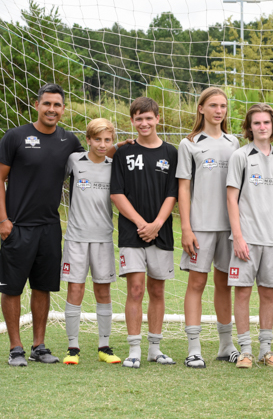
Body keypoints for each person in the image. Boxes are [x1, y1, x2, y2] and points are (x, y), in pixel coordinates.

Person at [0, 83, 98, 367]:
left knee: (42, 287)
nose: (51, 109)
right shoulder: (15, 137)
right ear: (37, 105)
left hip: (50, 227)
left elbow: (94, 159)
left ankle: (38, 346)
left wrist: (121, 148)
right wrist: (3, 220)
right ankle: (16, 348)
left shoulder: (69, 141)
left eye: (57, 105)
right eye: (47, 104)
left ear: (63, 109)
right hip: (16, 226)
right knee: (12, 288)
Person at [110, 97, 179, 368]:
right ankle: (134, 349)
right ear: (132, 121)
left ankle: (155, 348)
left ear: (158, 118)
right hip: (132, 233)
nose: (144, 123)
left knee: (157, 290)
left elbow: (173, 193)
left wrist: (157, 224)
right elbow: (117, 194)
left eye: (149, 117)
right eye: (139, 118)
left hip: (161, 232)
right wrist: (142, 224)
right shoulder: (123, 153)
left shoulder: (171, 152)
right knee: (136, 289)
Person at [226, 104, 273, 369]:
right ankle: (245, 350)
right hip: (246, 239)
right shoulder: (240, 156)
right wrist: (238, 236)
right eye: (256, 123)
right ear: (249, 127)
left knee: (268, 294)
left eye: (266, 122)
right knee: (243, 293)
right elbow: (231, 198)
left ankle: (266, 350)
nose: (262, 127)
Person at [176, 87, 240, 368]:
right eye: (213, 105)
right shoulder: (189, 143)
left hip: (230, 227)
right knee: (197, 283)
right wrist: (186, 227)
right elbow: (183, 188)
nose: (219, 110)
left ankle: (226, 346)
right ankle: (194, 348)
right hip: (200, 226)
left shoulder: (234, 142)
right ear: (201, 108)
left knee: (225, 284)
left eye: (223, 106)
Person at [61, 118, 121, 365]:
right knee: (75, 289)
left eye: (107, 140)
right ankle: (72, 348)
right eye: (97, 139)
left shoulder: (114, 165)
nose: (102, 144)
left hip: (103, 238)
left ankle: (104, 346)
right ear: (88, 139)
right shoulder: (74, 160)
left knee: (103, 290)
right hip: (76, 238)